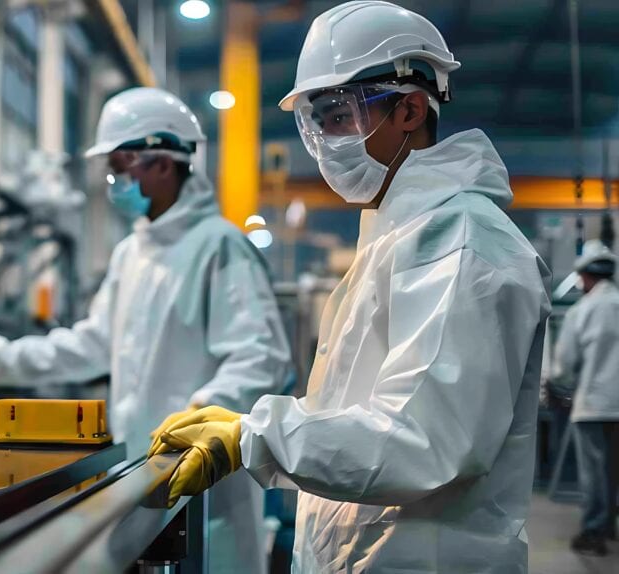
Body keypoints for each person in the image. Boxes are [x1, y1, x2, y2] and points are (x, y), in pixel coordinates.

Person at [149, 2, 552, 572]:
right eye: (314, 124)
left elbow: (425, 439)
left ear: (411, 108)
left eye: (338, 116)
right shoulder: (396, 238)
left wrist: (256, 436)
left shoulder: (463, 243)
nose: (324, 142)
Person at [0, 87, 292, 574]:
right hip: (137, 472)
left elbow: (261, 355)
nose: (114, 180)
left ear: (162, 161)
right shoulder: (131, 254)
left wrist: (202, 412)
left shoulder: (218, 246)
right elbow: (92, 344)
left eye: (121, 164)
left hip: (203, 478)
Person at [552, 240, 619, 555]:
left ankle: (594, 532)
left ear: (586, 276)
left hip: (592, 406)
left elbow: (563, 365)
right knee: (615, 470)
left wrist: (560, 385)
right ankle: (611, 526)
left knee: (594, 471)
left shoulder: (582, 311)